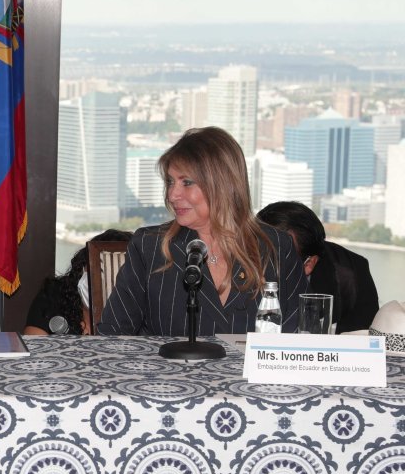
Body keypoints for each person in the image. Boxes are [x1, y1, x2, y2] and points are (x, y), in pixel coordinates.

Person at [98, 127, 306, 336]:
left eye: (187, 182)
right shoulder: (149, 247)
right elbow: (111, 335)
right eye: (170, 182)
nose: (172, 195)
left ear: (223, 185)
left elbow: (300, 336)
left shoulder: (276, 247)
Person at [257, 200, 380, 332]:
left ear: (309, 264)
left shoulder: (352, 274)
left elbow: (365, 335)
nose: (261, 262)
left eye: (276, 257)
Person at [23, 229, 132, 336]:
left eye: (117, 274)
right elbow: (35, 342)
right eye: (100, 270)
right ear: (83, 267)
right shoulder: (54, 295)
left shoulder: (136, 315)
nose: (105, 282)